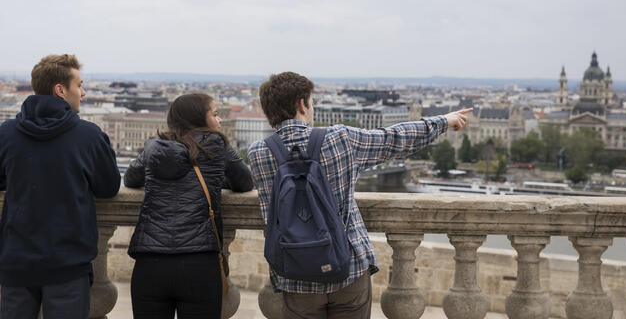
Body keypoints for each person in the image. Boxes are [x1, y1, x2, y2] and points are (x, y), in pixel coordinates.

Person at [248, 71, 472, 319]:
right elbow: (393, 139)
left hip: (295, 274)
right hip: (348, 269)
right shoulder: (339, 138)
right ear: (302, 104)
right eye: (312, 103)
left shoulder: (259, 153)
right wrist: (443, 121)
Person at [0, 54, 121, 319]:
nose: (84, 93)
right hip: (68, 263)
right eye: (79, 85)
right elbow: (109, 187)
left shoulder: (6, 134)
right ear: (60, 89)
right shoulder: (89, 136)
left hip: (16, 260)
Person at [124, 92, 253, 319]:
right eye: (215, 114)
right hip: (199, 263)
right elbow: (245, 182)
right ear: (199, 118)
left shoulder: (155, 147)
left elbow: (131, 179)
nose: (220, 120)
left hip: (150, 262)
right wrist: (216, 179)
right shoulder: (217, 146)